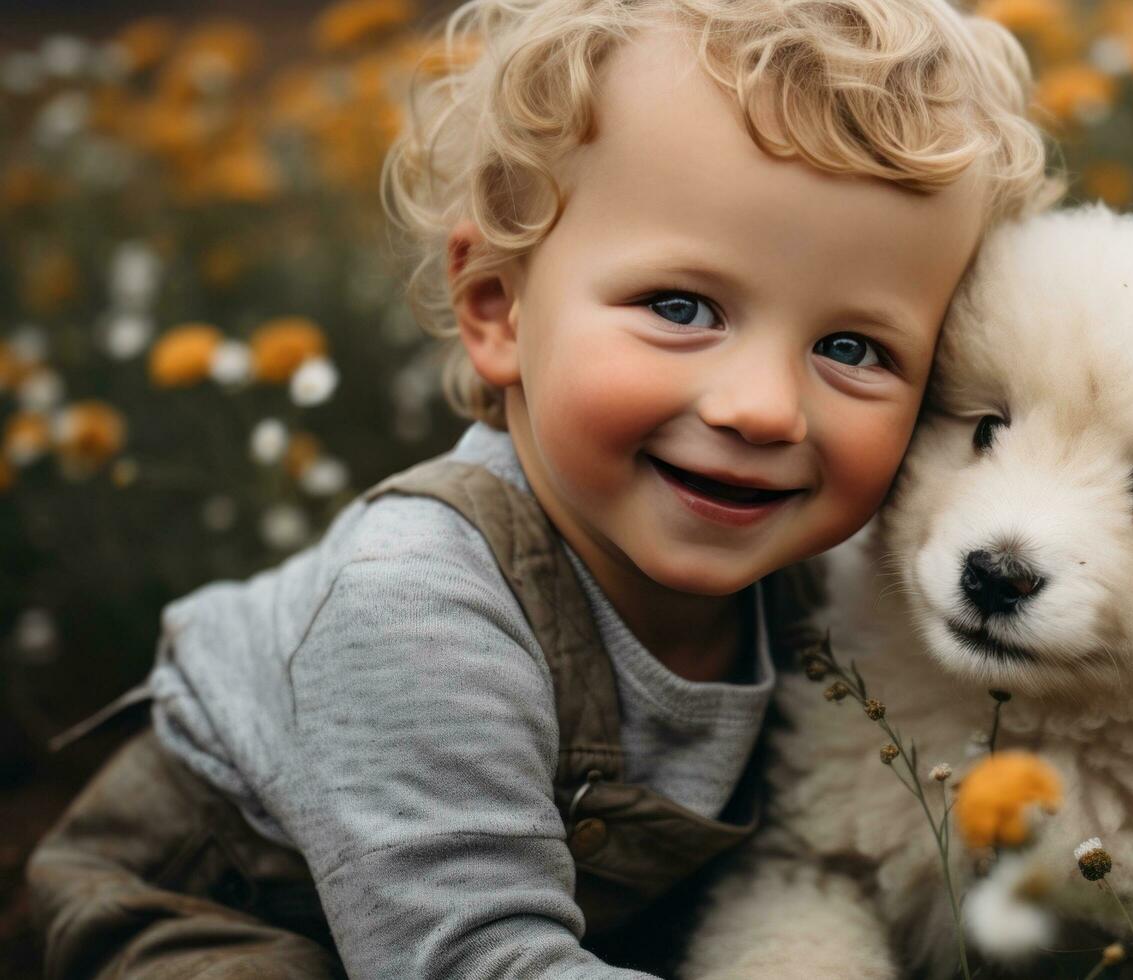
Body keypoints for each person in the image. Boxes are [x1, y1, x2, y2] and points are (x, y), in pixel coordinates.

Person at [26, 0, 1059, 976]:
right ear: (499, 309)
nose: (763, 409)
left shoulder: (826, 583)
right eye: (683, 307)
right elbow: (475, 956)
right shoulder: (419, 606)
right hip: (223, 907)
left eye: (852, 346)